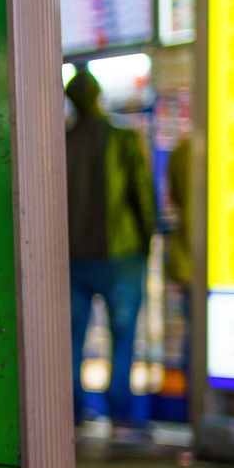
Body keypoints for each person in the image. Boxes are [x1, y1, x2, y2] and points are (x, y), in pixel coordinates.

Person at [65, 69, 157, 435]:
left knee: (71, 340)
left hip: (72, 258)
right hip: (122, 256)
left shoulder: (62, 141)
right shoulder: (122, 138)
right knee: (122, 339)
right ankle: (121, 415)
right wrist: (147, 242)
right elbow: (143, 196)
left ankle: (70, 411)